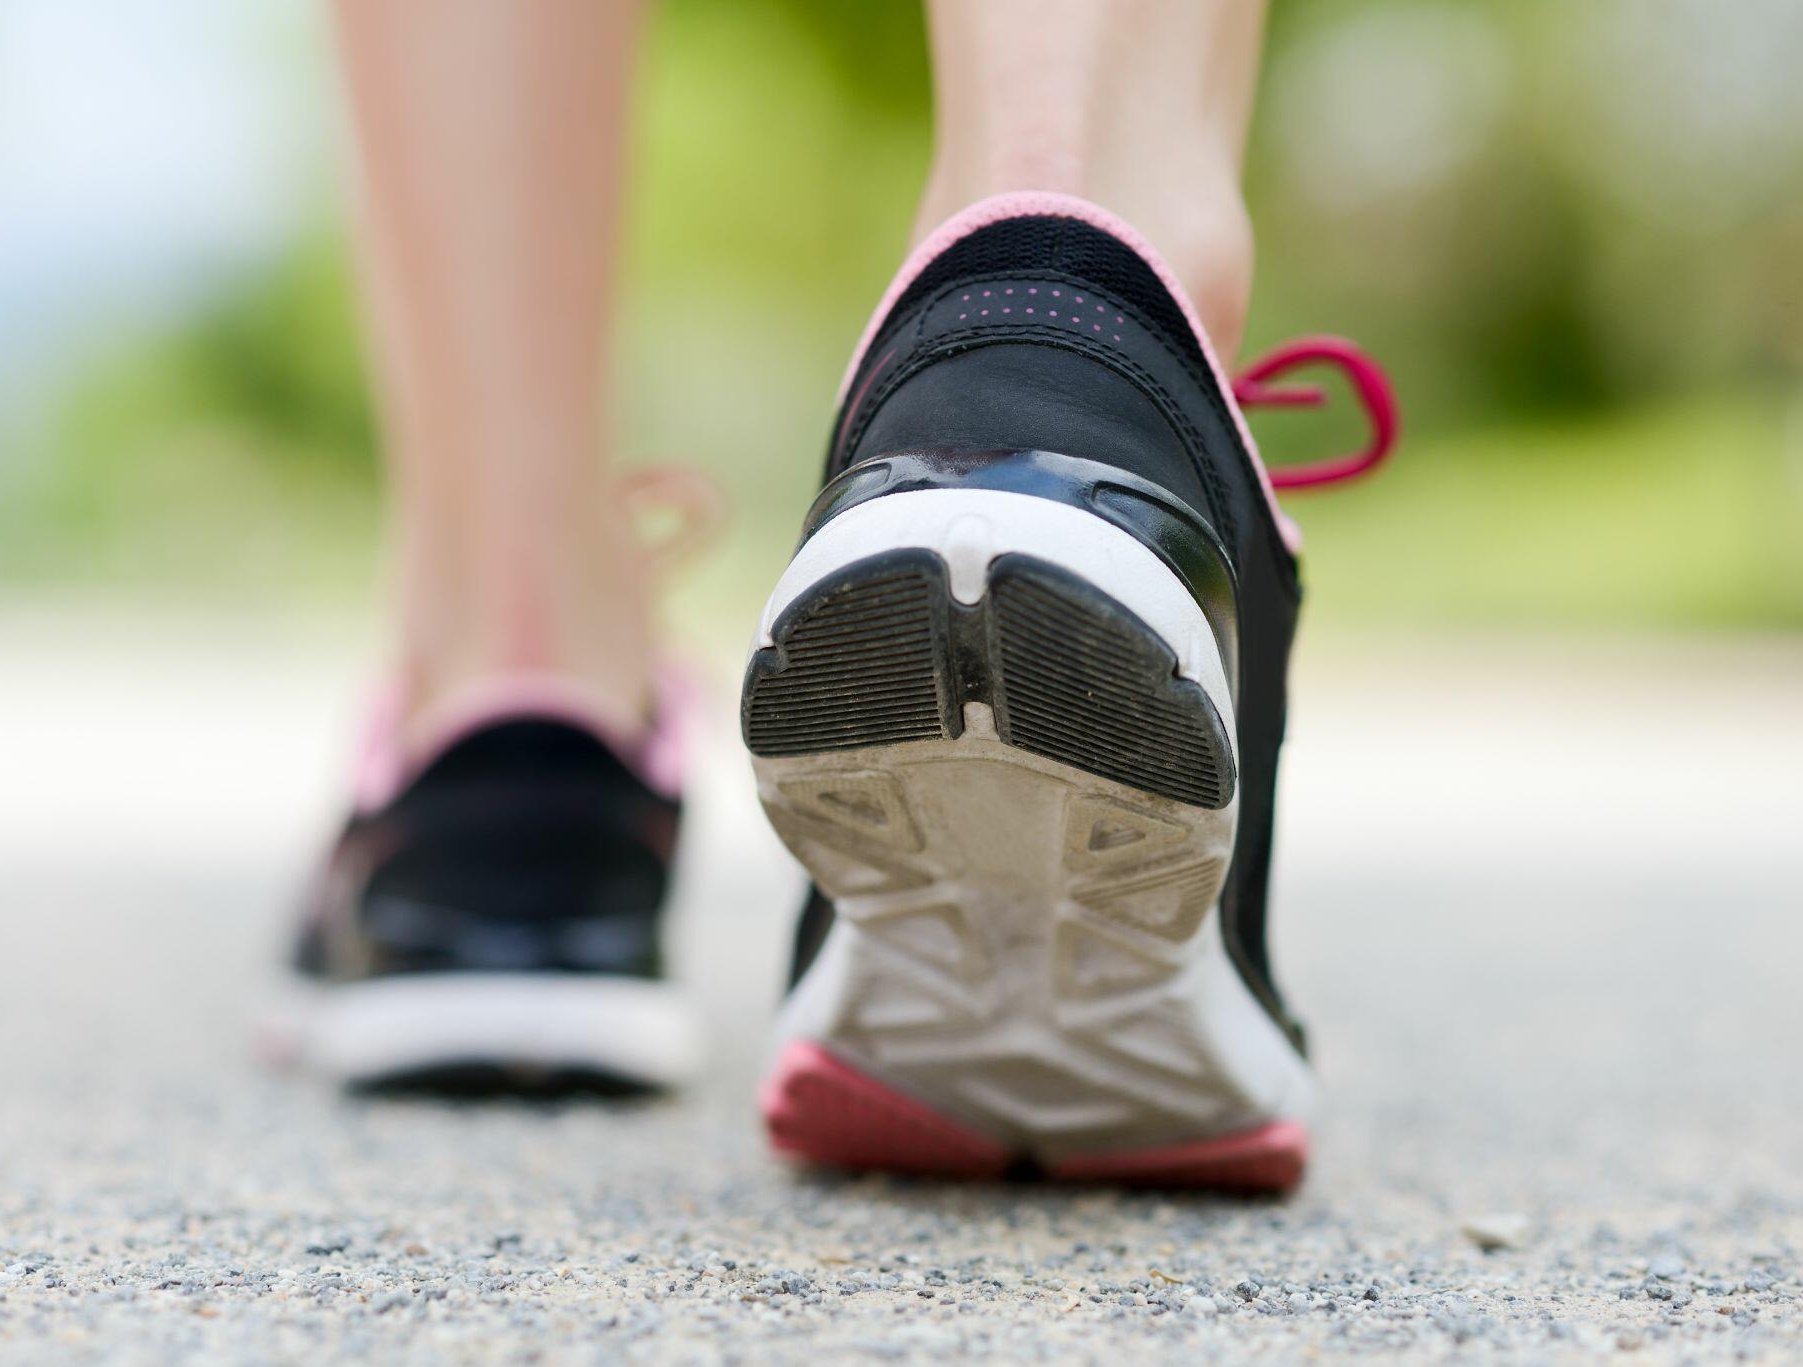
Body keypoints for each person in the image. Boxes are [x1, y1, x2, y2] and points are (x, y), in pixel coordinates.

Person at [271, 0, 1397, 1193]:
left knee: (505, 633)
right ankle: (1088, 337)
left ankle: (503, 698)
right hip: (1109, 394)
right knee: (1082, 212)